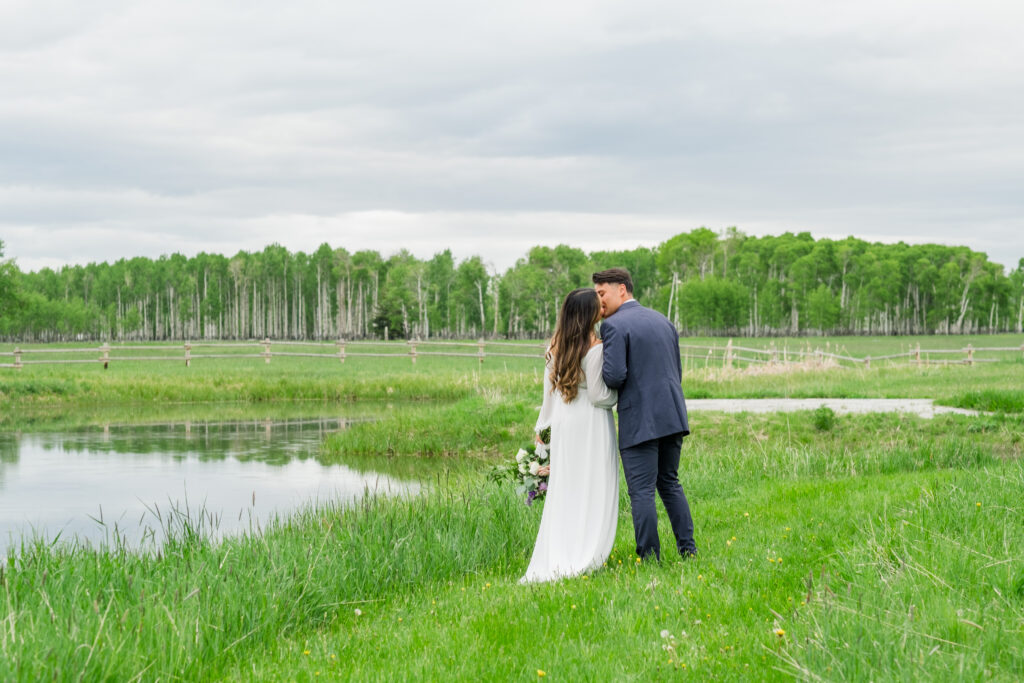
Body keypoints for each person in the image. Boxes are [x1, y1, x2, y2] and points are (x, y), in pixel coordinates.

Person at [593, 268, 697, 560]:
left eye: (602, 294)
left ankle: (650, 557)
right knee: (669, 483)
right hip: (673, 414)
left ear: (621, 290)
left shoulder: (612, 326)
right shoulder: (663, 321)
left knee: (641, 491)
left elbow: (614, 376)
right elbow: (676, 370)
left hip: (639, 419)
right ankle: (688, 549)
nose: (599, 302)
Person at [520, 288, 619, 583]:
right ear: (588, 314)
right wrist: (620, 392)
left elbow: (548, 396)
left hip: (565, 421)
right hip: (592, 423)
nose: (602, 308)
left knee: (567, 487)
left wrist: (543, 432)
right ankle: (586, 551)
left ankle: (563, 548)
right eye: (598, 306)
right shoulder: (597, 347)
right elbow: (602, 397)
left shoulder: (555, 347)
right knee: (594, 485)